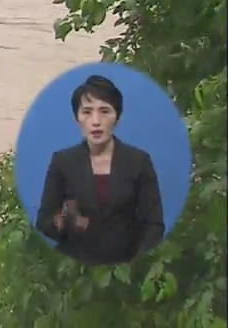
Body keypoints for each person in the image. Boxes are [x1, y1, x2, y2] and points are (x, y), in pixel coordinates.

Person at [35, 75, 164, 264]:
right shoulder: (63, 161)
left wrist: (135, 264)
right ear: (77, 118)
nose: (96, 121)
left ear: (117, 117)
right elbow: (44, 221)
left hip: (127, 265)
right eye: (87, 112)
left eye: (105, 111)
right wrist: (69, 223)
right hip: (77, 264)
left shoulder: (138, 161)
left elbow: (154, 225)